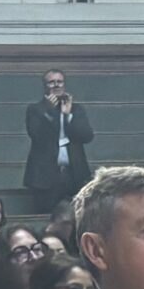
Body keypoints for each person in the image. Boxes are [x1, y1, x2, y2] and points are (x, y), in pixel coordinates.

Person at [22, 68, 93, 205]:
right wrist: (50, 111)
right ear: (45, 86)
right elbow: (37, 135)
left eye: (59, 82)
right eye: (51, 82)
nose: (56, 85)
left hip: (75, 175)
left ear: (64, 84)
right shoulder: (35, 109)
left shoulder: (77, 109)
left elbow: (87, 136)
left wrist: (68, 115)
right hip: (45, 178)